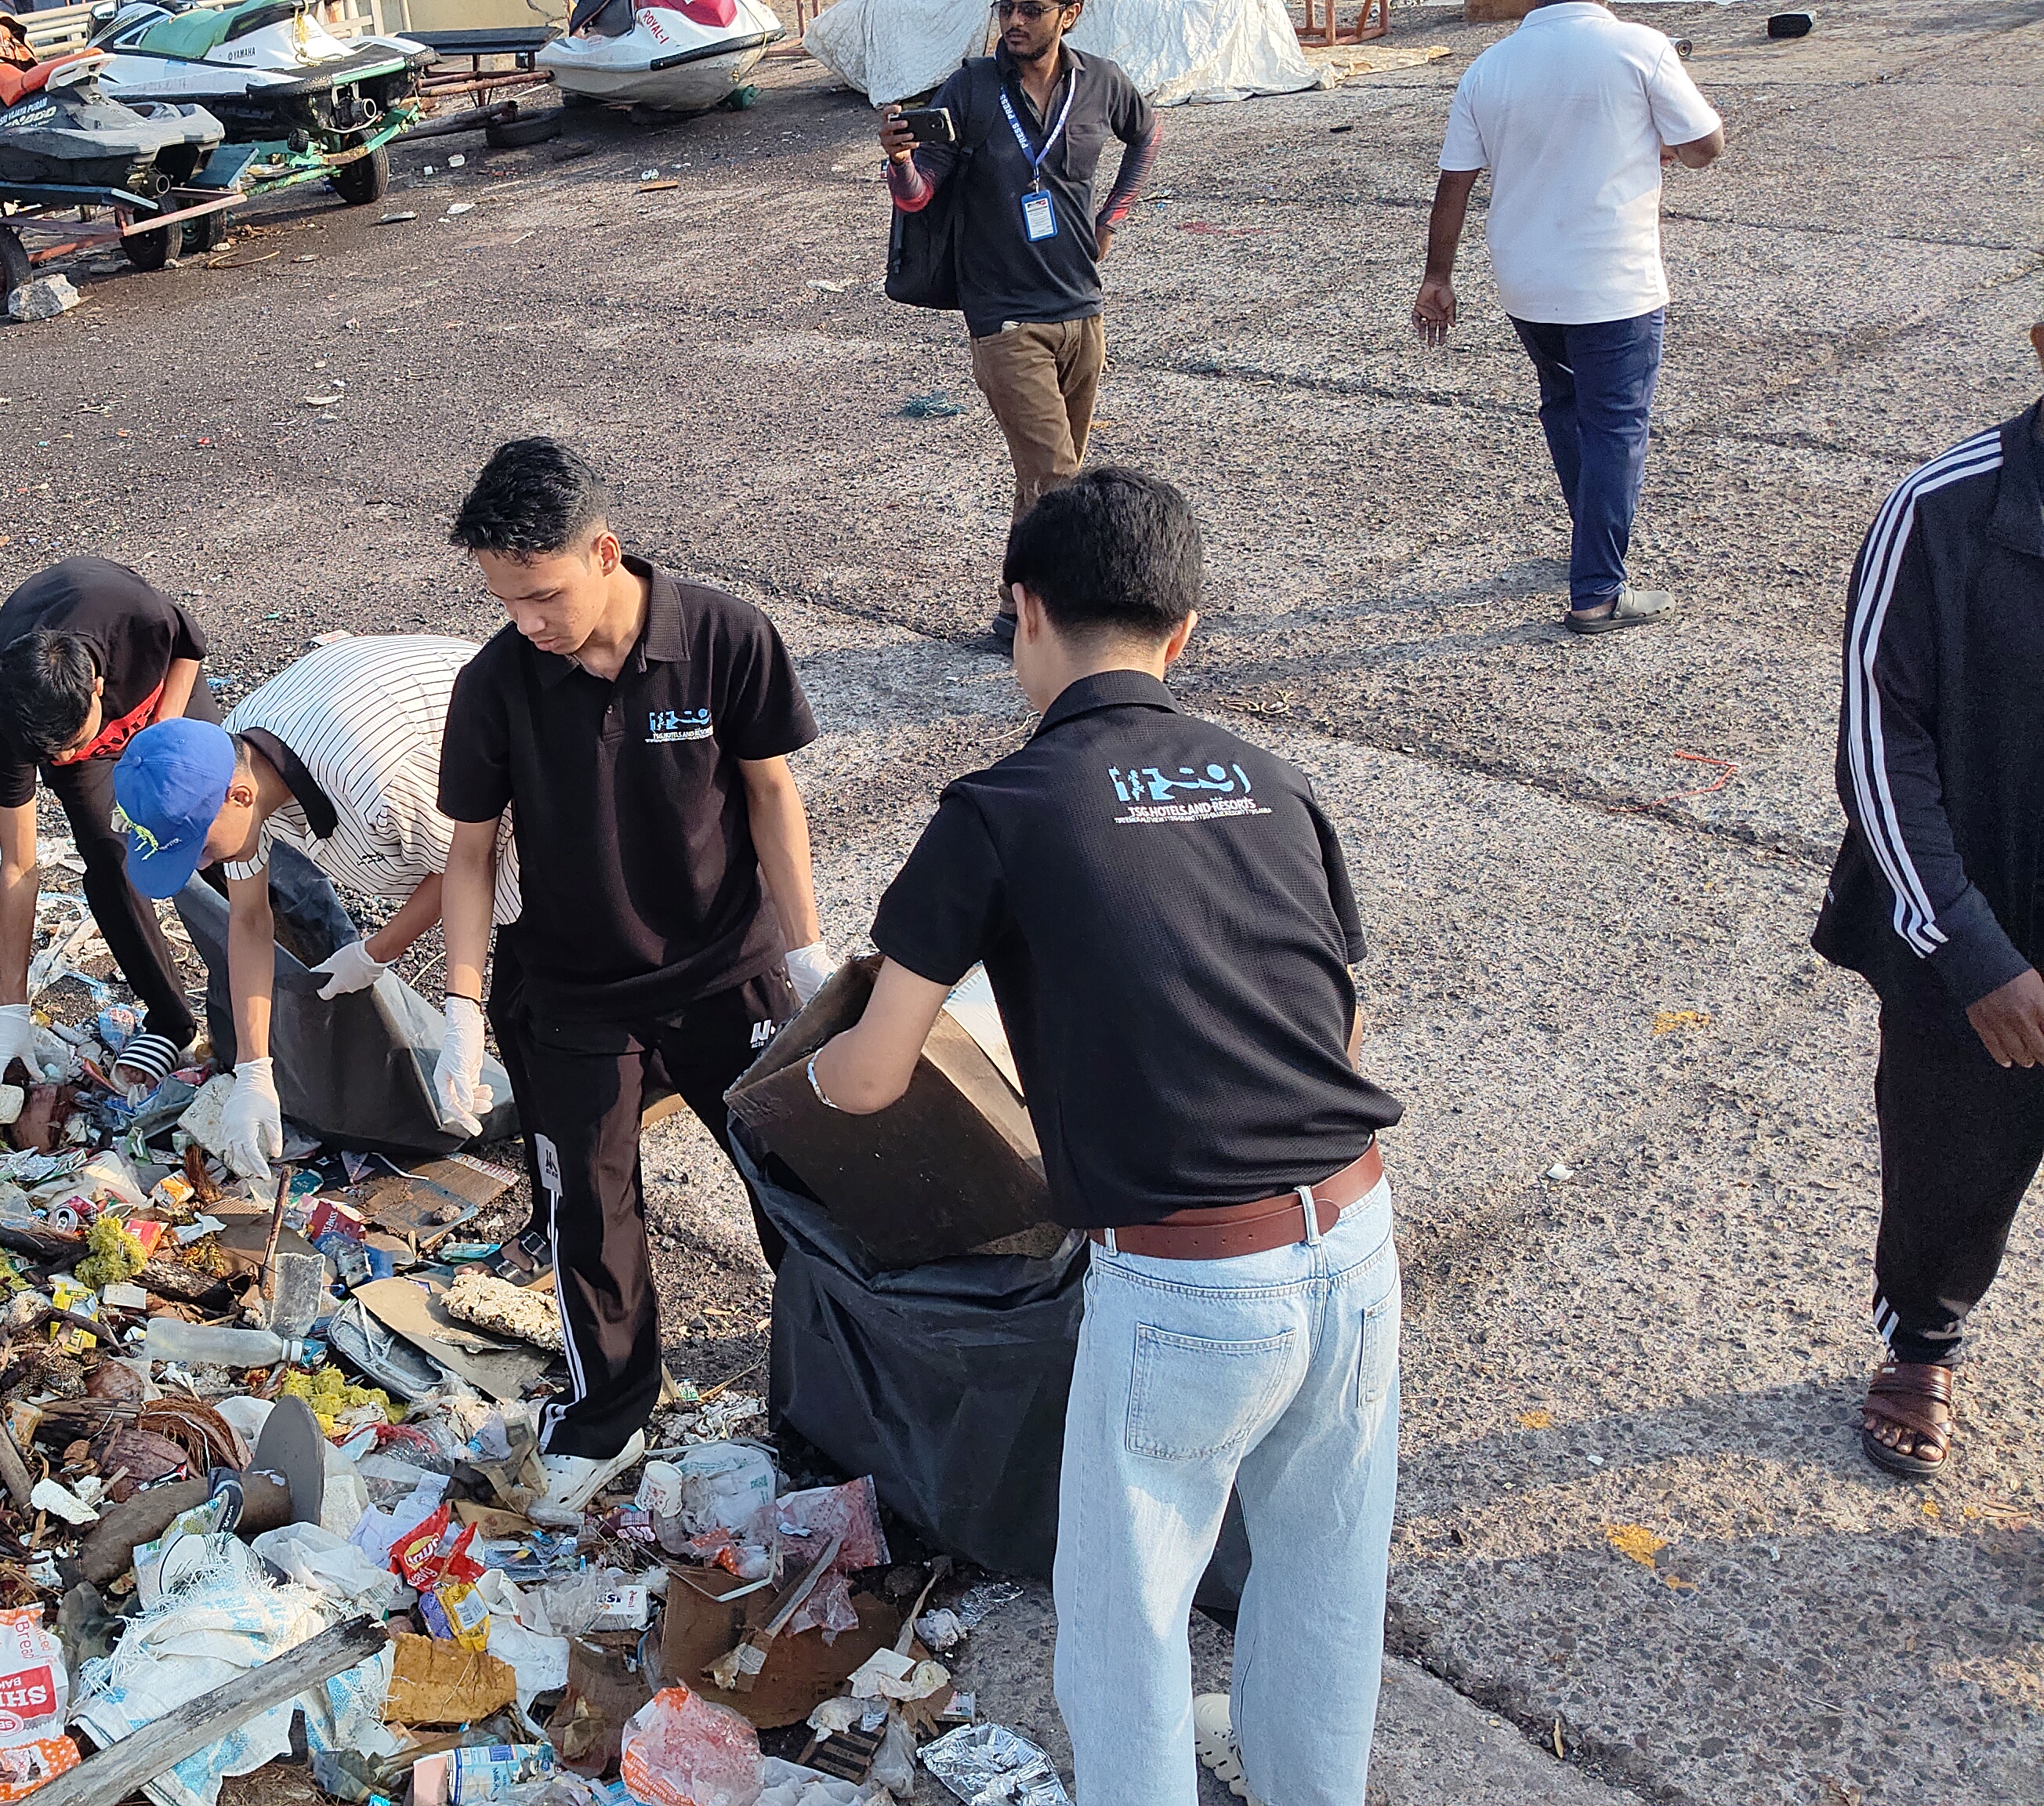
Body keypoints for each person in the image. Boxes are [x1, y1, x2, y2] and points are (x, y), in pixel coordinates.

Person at [809, 467, 1404, 1806]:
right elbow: (1338, 1025)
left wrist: (830, 1055)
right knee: (1321, 1578)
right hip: (1355, 1231)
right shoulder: (1272, 778)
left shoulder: (1000, 809)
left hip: (1193, 1276)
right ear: (1182, 631)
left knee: (1128, 1616)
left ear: (1023, 612)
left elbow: (870, 1072)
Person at [429, 438, 837, 1506]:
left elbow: (770, 797)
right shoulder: (496, 683)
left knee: (794, 1188)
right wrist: (461, 1012)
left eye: (544, 596)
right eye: (507, 601)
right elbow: (469, 853)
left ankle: (837, 1395)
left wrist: (805, 953)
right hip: (569, 989)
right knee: (588, 1212)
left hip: (724, 967)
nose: (529, 621)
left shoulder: (724, 637)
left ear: (605, 552)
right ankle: (609, 1416)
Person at [1814, 324, 2044, 1481]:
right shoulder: (1942, 511)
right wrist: (1971, 952)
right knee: (1948, 1163)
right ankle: (1923, 1339)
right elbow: (1876, 746)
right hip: (1976, 929)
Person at [103, 635, 523, 1178]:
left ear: (240, 797)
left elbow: (466, 863)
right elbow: (251, 919)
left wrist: (387, 960)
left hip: (518, 750)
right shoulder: (239, 764)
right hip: (398, 755)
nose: (203, 860)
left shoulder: (371, 782)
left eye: (199, 845)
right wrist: (255, 1070)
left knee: (540, 979)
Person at [1415, 0, 1723, 635]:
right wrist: (1656, 141)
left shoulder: (1490, 67)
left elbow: (1455, 183)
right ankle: (1598, 593)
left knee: (1564, 403)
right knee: (1616, 427)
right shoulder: (1639, 47)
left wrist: (1437, 278)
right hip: (1612, 281)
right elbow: (1705, 146)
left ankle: (1592, 547)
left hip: (1526, 283)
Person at [880, 0, 1157, 656]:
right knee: (1058, 474)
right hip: (1004, 319)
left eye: (1032, 9)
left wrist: (1111, 218)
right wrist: (900, 161)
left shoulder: (1101, 82)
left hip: (1081, 308)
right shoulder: (972, 87)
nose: (1015, 21)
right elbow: (920, 195)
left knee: (1047, 478)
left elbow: (1146, 135)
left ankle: (1013, 610)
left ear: (1070, 14)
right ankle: (1066, 623)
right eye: (1006, 7)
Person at [0, 556, 223, 1095]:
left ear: (97, 687)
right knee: (111, 857)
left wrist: (160, 736)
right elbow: (18, 864)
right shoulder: (13, 721)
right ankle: (171, 1020)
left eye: (75, 742)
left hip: (160, 696)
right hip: (76, 732)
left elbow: (189, 651)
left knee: (218, 830)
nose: (67, 754)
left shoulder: (137, 618)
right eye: (54, 754)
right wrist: (10, 1007)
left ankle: (281, 989)